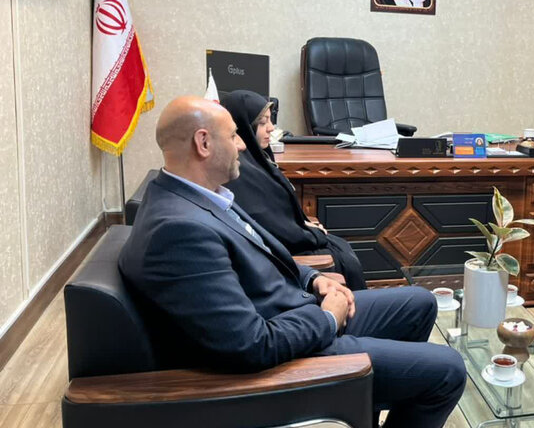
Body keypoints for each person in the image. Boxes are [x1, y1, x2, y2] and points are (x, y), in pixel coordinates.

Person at [119, 96, 466, 428]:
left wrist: (313, 279)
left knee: (420, 302)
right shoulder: (179, 231)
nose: (242, 145)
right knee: (448, 370)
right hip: (291, 355)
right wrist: (328, 318)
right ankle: (369, 392)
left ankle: (366, 409)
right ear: (203, 143)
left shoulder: (200, 196)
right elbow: (251, 345)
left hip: (298, 313)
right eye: (234, 135)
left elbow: (266, 254)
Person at [220, 90, 366, 290]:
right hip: (281, 255)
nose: (271, 128)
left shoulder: (258, 160)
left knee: (341, 247)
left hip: (290, 241)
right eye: (262, 122)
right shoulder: (240, 172)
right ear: (243, 126)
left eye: (270, 120)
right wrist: (312, 234)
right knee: (341, 255)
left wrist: (304, 225)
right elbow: (269, 226)